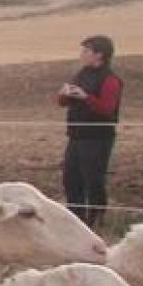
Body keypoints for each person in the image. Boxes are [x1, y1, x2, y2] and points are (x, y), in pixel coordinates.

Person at [56, 34, 123, 226]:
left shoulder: (110, 80)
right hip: (76, 135)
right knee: (71, 178)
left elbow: (107, 108)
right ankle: (75, 219)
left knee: (93, 179)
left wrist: (85, 97)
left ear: (99, 55)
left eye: (86, 51)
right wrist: (64, 95)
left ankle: (96, 219)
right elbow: (62, 103)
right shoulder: (81, 74)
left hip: (97, 138)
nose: (82, 54)